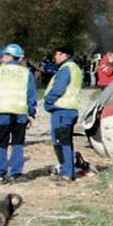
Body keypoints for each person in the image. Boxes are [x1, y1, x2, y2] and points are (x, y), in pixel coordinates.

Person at [0, 44, 36, 184]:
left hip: (3, 113)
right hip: (20, 113)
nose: (2, 58)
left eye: (4, 55)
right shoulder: (26, 73)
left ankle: (0, 174)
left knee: (2, 143)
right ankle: (15, 174)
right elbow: (31, 95)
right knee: (17, 143)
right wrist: (31, 113)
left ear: (9, 56)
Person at [44, 45, 83, 181]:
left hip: (61, 110)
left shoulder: (66, 69)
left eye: (57, 54)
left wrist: (48, 101)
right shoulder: (75, 68)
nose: (55, 56)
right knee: (65, 141)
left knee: (61, 142)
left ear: (65, 55)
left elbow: (58, 88)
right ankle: (68, 170)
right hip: (70, 110)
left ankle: (66, 172)